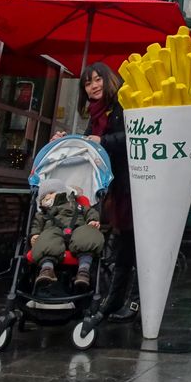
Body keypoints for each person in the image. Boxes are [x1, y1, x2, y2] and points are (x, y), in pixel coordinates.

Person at [54, 61, 137, 321]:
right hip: (107, 189)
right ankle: (110, 299)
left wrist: (104, 140)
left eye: (97, 79)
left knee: (128, 244)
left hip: (127, 186)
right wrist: (66, 139)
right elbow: (86, 146)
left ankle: (129, 302)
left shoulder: (123, 104)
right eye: (88, 82)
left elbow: (135, 137)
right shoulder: (95, 114)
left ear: (108, 79)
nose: (93, 85)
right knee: (118, 244)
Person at [30, 180, 103, 289]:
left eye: (51, 193)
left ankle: (83, 271)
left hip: (77, 227)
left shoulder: (76, 205)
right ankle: (47, 269)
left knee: (88, 233)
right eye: (44, 197)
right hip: (53, 230)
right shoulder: (43, 213)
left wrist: (92, 220)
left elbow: (90, 212)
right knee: (46, 238)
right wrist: (35, 234)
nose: (47, 197)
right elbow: (37, 224)